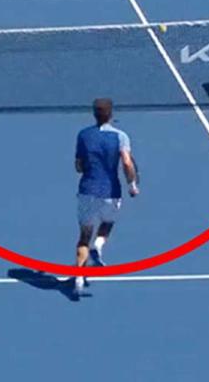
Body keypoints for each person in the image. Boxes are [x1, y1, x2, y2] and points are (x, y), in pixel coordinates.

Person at [73, 98, 139, 296]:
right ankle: (99, 245)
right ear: (111, 115)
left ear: (94, 114)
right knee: (107, 224)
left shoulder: (83, 135)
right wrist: (132, 185)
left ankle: (77, 279)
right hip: (111, 192)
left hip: (86, 191)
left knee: (83, 237)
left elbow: (78, 166)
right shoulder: (121, 136)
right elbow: (127, 163)